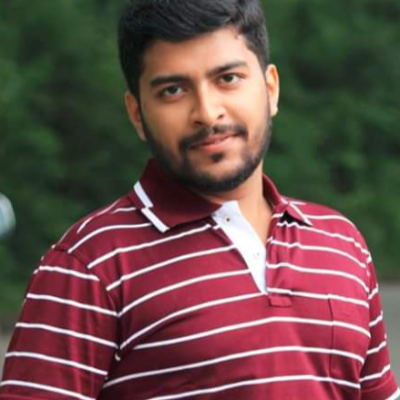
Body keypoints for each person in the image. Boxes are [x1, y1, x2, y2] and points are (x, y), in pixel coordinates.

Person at [0, 0, 398, 399]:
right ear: (137, 114)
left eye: (228, 78)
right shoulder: (89, 265)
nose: (207, 113)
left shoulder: (341, 243)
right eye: (173, 90)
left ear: (270, 89)